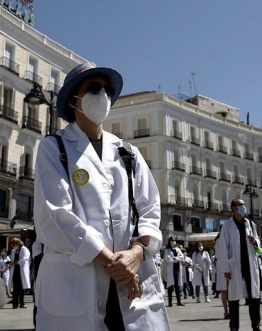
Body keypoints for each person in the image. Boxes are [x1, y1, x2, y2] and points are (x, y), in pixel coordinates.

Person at [33, 62, 171, 331]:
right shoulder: (53, 148)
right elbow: (57, 215)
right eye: (93, 88)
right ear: (74, 99)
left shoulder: (128, 152)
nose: (102, 95)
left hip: (132, 288)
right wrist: (114, 263)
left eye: (107, 90)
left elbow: (150, 210)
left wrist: (137, 253)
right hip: (76, 287)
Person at [216, 199, 262, 331]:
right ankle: (234, 327)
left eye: (244, 205)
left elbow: (257, 242)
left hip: (250, 264)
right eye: (240, 205)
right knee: (234, 298)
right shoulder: (227, 226)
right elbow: (223, 249)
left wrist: (255, 241)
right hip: (235, 265)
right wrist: (225, 269)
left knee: (254, 296)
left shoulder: (250, 224)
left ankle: (256, 325)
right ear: (233, 209)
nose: (243, 207)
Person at [8, 237, 30, 309]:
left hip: (22, 271)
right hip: (15, 271)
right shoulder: (13, 251)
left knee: (21, 288)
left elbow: (24, 260)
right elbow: (12, 260)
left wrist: (14, 263)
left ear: (18, 243)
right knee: (15, 288)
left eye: (14, 244)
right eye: (13, 245)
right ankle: (15, 304)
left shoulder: (25, 250)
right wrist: (10, 263)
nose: (14, 246)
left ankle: (22, 303)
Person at [165, 237, 186, 307]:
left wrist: (175, 259)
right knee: (170, 286)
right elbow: (168, 259)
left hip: (177, 270)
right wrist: (177, 259)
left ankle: (178, 301)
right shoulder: (167, 250)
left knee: (177, 286)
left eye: (174, 240)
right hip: (171, 270)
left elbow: (182, 257)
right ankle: (170, 302)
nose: (173, 242)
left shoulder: (177, 249)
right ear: (169, 241)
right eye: (172, 240)